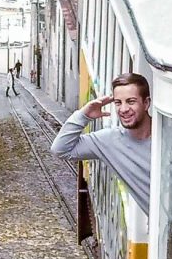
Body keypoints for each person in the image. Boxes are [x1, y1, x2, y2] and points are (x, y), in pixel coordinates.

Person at [51, 72, 151, 212]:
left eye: (131, 101)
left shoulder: (167, 136)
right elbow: (60, 149)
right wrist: (84, 115)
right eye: (118, 103)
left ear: (146, 103)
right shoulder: (109, 140)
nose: (123, 109)